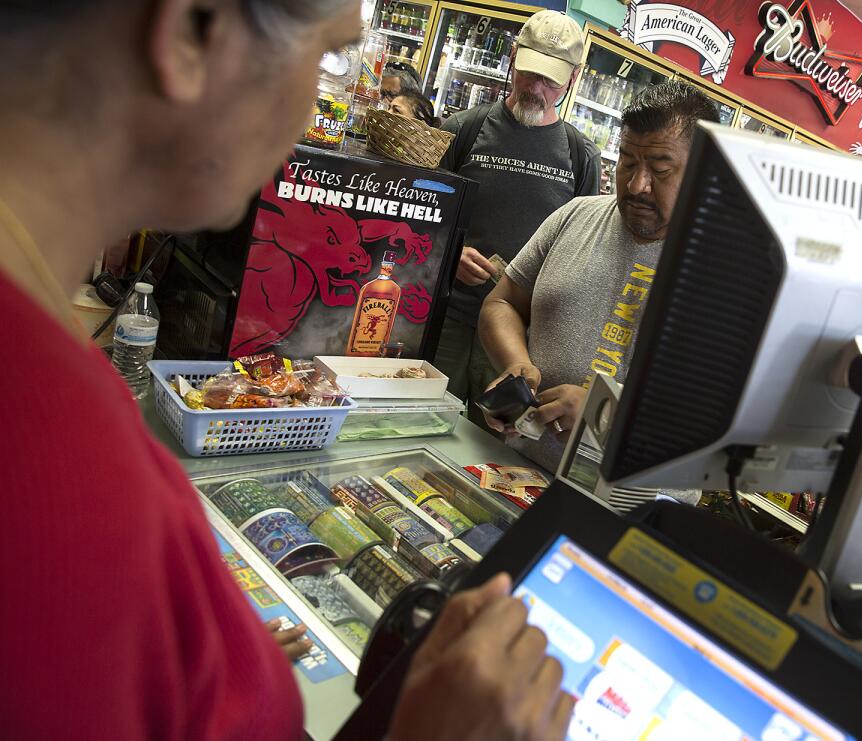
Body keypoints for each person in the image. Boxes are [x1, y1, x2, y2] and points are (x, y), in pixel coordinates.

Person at [0, 2, 569, 739]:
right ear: (191, 33)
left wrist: (206, 667)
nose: (316, 107)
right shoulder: (59, 478)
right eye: (329, 56)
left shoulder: (51, 371)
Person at [477, 81, 718, 471]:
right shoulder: (575, 216)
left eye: (660, 169)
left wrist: (603, 411)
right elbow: (503, 302)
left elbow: (712, 421)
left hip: (627, 505)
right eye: (627, 161)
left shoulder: (723, 271)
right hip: (520, 471)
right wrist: (515, 363)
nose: (637, 185)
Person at [434, 10, 600, 421]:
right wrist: (450, 253)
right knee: (421, 423)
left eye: (550, 80)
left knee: (494, 447)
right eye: (529, 73)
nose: (536, 88)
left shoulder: (580, 158)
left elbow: (580, 253)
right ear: (512, 58)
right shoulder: (463, 130)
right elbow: (423, 220)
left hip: (519, 341)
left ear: (573, 78)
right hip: (449, 318)